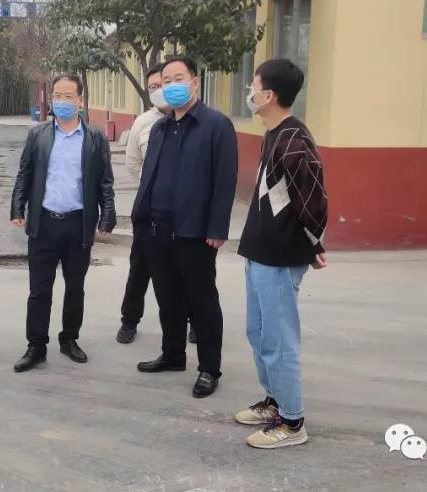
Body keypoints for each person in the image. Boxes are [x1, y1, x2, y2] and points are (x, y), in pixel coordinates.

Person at [233, 59, 328, 449]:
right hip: (260, 250)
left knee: (278, 340)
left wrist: (313, 243)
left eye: (254, 86)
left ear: (269, 95)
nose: (250, 92)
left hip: (279, 256)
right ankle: (274, 401)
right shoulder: (274, 134)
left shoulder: (294, 141)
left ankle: (292, 422)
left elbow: (313, 199)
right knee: (258, 333)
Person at [132, 56, 238, 398]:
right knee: (168, 298)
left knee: (202, 301)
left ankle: (209, 368)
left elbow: (225, 181)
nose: (172, 85)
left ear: (195, 82)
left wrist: (217, 228)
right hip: (156, 228)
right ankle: (173, 354)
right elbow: (149, 176)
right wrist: (141, 216)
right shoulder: (160, 127)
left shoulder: (216, 125)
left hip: (195, 232)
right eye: (166, 81)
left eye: (179, 78)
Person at [10, 74, 116, 373]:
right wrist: (17, 207)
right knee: (39, 289)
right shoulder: (38, 135)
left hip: (77, 224)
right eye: (58, 96)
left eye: (69, 96)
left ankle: (69, 339)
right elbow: (25, 173)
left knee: (75, 287)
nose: (62, 101)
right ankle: (36, 345)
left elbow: (105, 182)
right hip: (43, 223)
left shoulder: (94, 138)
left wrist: (107, 215)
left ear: (80, 101)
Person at [116, 62, 184, 344]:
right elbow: (133, 163)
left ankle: (191, 320)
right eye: (153, 87)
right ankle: (129, 320)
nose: (159, 90)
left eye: (163, 85)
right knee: (140, 268)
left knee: (185, 270)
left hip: (183, 213)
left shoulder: (195, 122)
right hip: (148, 210)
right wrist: (151, 186)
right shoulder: (143, 123)